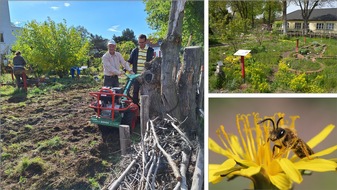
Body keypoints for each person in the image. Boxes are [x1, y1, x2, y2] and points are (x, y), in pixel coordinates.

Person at [128, 34, 155, 104]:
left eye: (142, 42)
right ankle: (136, 108)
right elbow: (130, 61)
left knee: (146, 92)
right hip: (136, 75)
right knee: (135, 92)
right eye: (139, 42)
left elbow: (152, 62)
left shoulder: (150, 50)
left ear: (146, 42)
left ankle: (146, 108)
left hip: (146, 76)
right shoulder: (135, 50)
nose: (140, 44)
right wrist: (126, 69)